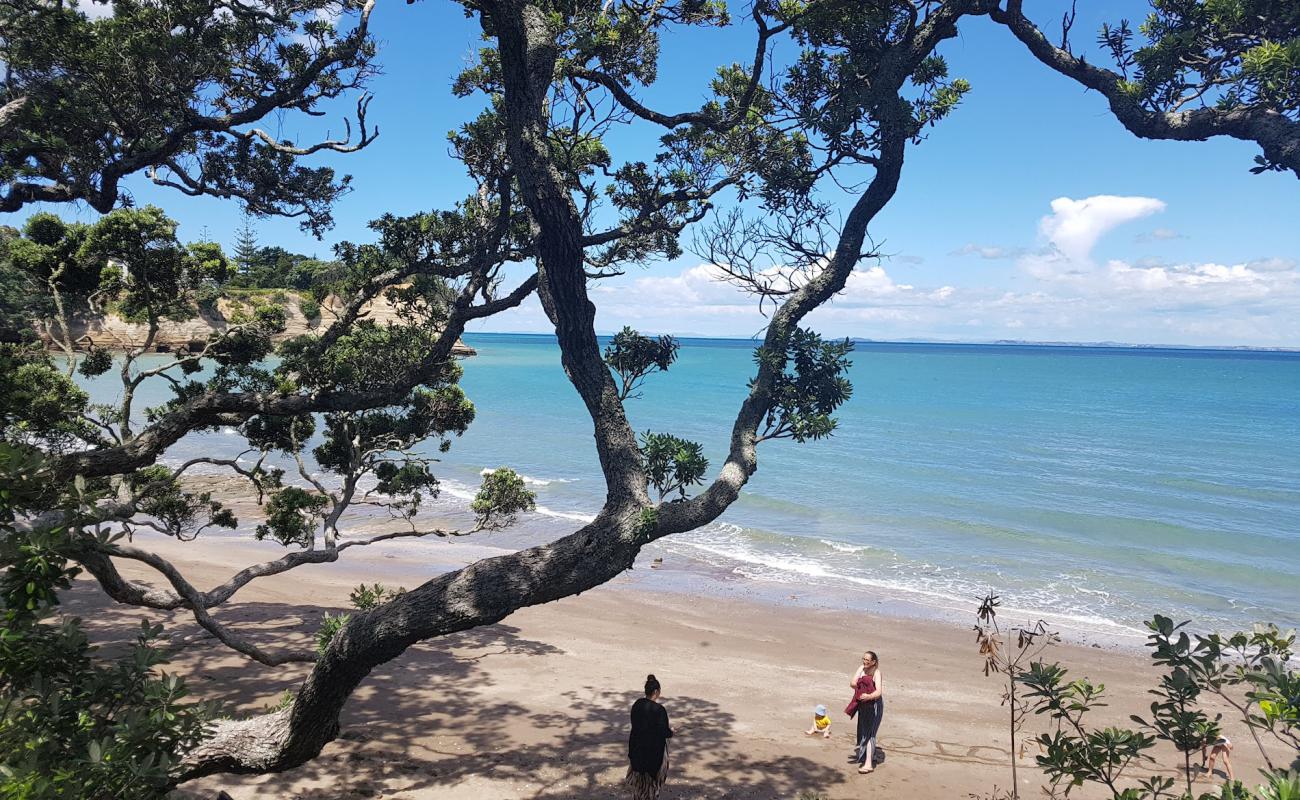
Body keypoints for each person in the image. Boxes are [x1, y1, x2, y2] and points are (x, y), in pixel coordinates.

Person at [626, 674, 673, 800]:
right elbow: (665, 732)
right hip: (653, 758)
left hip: (637, 753)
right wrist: (672, 732)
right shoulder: (660, 710)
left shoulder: (637, 704)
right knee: (651, 789)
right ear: (656, 692)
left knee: (638, 788)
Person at [844, 650, 884, 774]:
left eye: (867, 660)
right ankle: (870, 755)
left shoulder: (877, 673)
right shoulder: (861, 669)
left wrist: (868, 696)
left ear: (873, 662)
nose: (865, 661)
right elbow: (852, 683)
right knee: (863, 731)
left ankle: (868, 764)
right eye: (863, 659)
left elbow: (878, 692)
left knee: (870, 733)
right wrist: (861, 685)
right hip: (863, 705)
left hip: (874, 705)